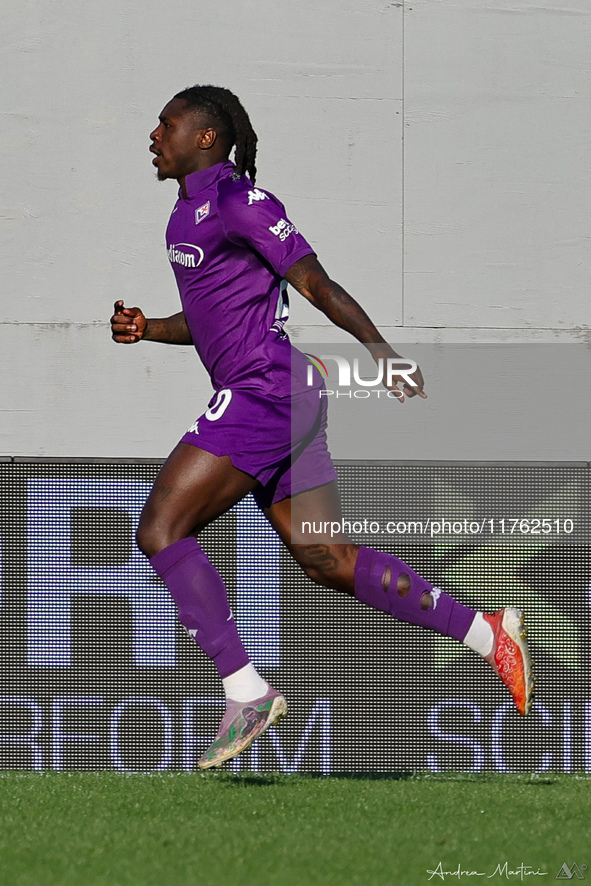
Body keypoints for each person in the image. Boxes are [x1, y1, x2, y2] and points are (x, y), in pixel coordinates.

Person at [110, 85, 534, 771]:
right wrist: (150, 328)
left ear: (206, 138)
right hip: (286, 396)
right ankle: (488, 635)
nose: (154, 136)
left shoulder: (239, 203)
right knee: (324, 560)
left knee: (160, 529)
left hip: (265, 394)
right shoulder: (183, 218)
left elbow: (313, 282)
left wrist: (380, 353)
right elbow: (213, 320)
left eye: (166, 125)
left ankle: (245, 692)